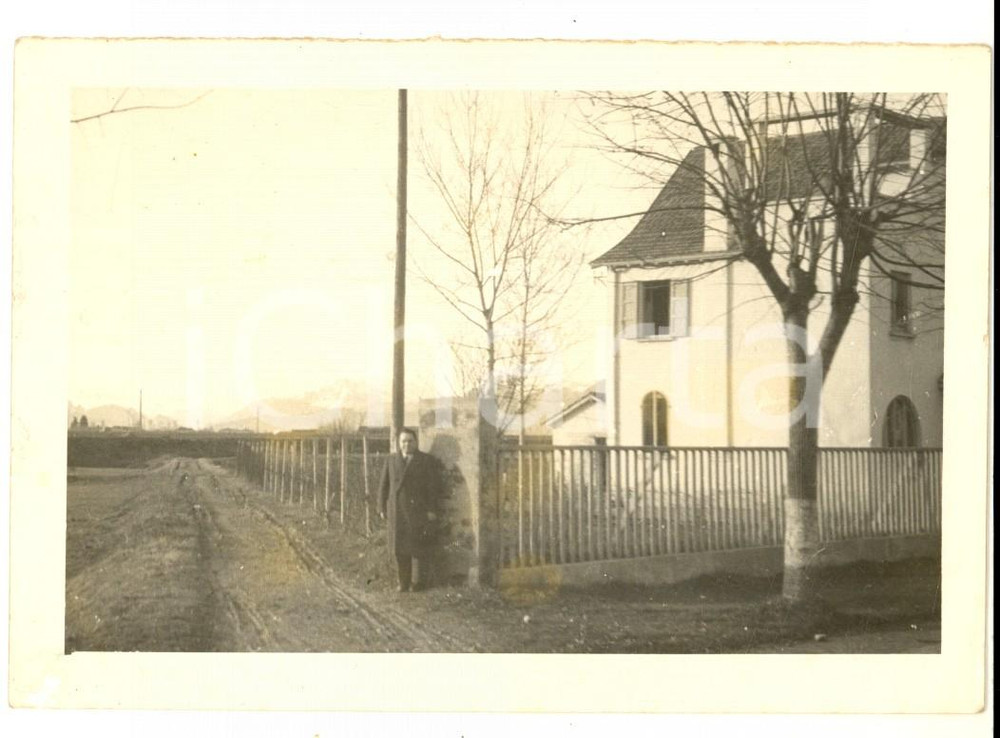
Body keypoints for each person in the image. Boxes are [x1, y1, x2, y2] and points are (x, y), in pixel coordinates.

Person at [378, 428, 443, 592]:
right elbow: (383, 486)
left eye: (410, 441)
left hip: (418, 511)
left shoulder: (426, 461)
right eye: (403, 441)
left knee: (418, 548)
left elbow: (433, 488)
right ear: (399, 444)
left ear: (416, 442)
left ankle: (418, 582)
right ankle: (403, 583)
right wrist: (381, 507)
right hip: (397, 511)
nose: (407, 444)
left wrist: (432, 510)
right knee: (400, 549)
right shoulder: (391, 460)